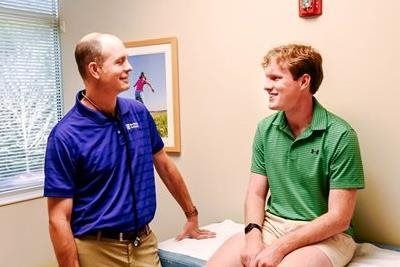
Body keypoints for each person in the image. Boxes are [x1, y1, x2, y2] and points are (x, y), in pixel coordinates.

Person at [44, 32, 215, 267]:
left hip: (143, 245)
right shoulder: (65, 135)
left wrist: (191, 214)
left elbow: (164, 165)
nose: (130, 67)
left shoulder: (138, 112)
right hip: (97, 251)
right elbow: (58, 218)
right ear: (94, 69)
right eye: (120, 61)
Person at [206, 44, 365, 267]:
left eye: (275, 78)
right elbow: (256, 193)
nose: (266, 86)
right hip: (273, 226)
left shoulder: (341, 135)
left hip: (326, 235)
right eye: (267, 78)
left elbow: (339, 218)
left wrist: (279, 248)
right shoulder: (265, 129)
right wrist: (253, 237)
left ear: (303, 81)